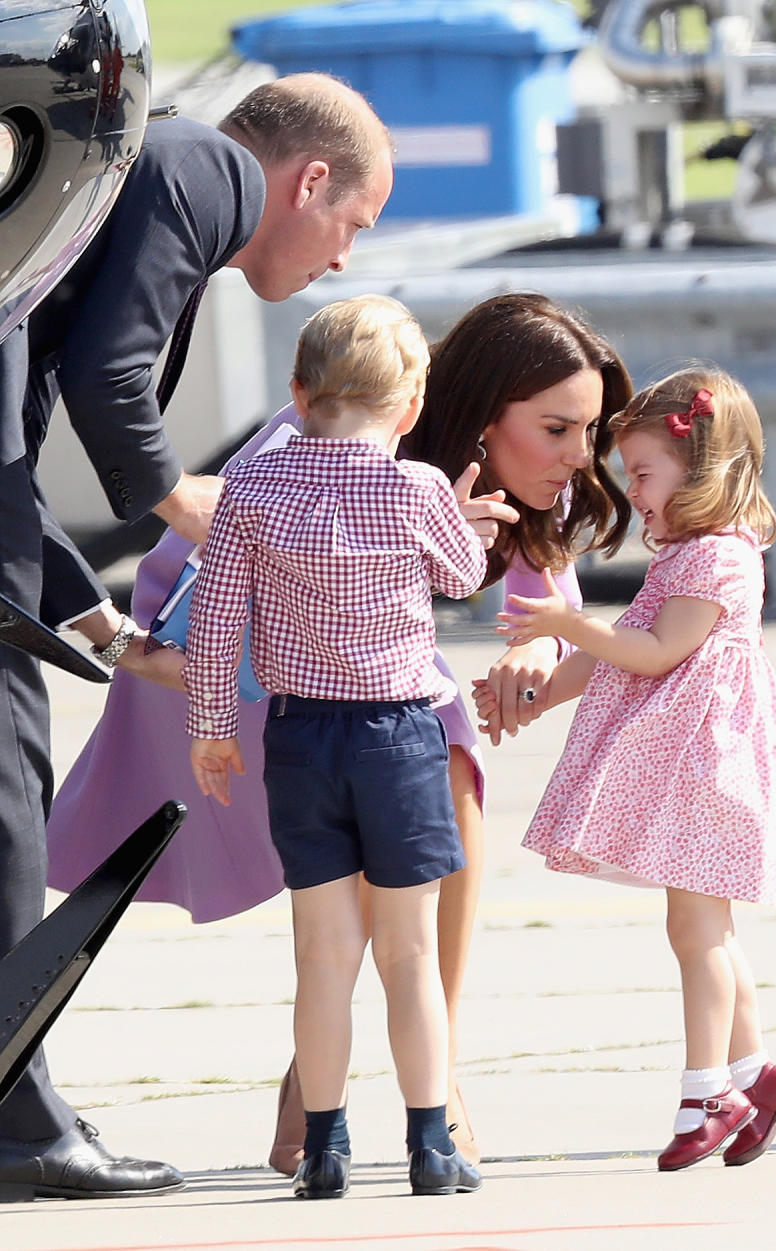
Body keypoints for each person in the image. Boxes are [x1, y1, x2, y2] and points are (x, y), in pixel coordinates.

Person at [46, 292, 634, 1174]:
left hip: (313, 696)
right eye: (556, 428)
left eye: (587, 431)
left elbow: (544, 582)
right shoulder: (344, 431)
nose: (577, 456)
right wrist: (141, 654)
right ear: (476, 409)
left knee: (414, 812)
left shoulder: (448, 462)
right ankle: (402, 1096)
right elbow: (206, 579)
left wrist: (539, 646)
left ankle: (346, 1092)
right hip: (221, 669)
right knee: (439, 780)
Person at [0, 73, 393, 1200]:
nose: (341, 262)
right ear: (307, 179)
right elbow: (107, 377)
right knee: (8, 803)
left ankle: (23, 1109)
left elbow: (23, 448)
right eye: (350, 226)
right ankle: (19, 1126)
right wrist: (187, 506)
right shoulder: (205, 169)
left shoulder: (152, 173)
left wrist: (93, 617)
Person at [184, 294, 486, 1198]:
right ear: (410, 406)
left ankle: (324, 1147)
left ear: (297, 390)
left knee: (321, 954)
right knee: (410, 953)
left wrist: (208, 727)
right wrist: (462, 519)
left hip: (300, 735)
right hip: (398, 735)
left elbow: (217, 618)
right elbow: (461, 577)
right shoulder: (418, 487)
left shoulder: (250, 490)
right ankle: (432, 1145)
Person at [477, 364, 776, 1172]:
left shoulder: (723, 559)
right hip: (692, 771)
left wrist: (565, 621)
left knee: (697, 934)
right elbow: (624, 647)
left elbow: (653, 652)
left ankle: (708, 1093)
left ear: (702, 470)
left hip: (708, 770)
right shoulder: (688, 555)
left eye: (645, 475)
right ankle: (754, 1074)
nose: (638, 494)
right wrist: (539, 693)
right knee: (707, 931)